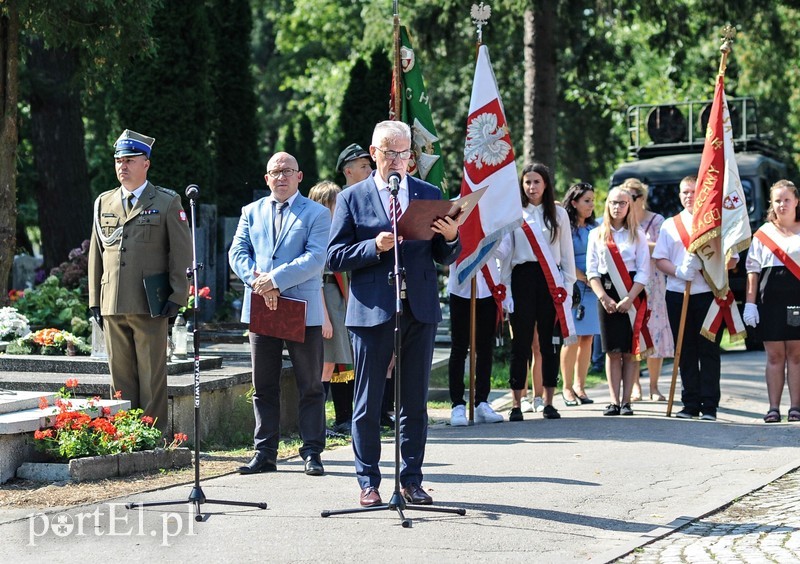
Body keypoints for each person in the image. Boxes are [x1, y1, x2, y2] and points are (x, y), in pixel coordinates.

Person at [327, 120, 460, 508]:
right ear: (374, 154)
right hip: (372, 310)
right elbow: (335, 256)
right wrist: (374, 246)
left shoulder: (428, 193)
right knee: (368, 401)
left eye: (404, 153)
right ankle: (368, 482)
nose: (398, 161)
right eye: (389, 153)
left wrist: (451, 237)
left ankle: (412, 481)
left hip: (418, 308)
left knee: (414, 401)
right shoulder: (352, 198)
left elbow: (442, 254)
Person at [229, 151, 330, 475]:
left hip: (301, 308)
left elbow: (316, 258)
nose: (282, 177)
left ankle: (312, 451)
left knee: (310, 384)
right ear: (267, 178)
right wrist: (259, 282)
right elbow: (238, 252)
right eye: (276, 171)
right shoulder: (251, 211)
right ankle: (264, 453)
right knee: (264, 385)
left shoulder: (316, 213)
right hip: (263, 307)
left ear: (300, 176)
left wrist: (275, 280)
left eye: (288, 171)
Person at [88, 129, 192, 433]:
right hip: (112, 302)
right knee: (119, 378)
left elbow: (181, 254)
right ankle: (123, 434)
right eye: (119, 160)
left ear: (145, 163)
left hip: (150, 303)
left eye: (130, 160)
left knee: (151, 376)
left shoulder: (166, 201)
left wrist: (177, 296)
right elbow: (96, 253)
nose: (123, 166)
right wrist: (95, 299)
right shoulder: (103, 202)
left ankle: (152, 436)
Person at [500, 163, 576, 421]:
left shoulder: (559, 214)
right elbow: (507, 256)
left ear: (546, 184)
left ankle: (549, 401)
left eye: (536, 182)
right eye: (527, 182)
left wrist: (568, 285)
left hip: (550, 281)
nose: (532, 187)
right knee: (520, 343)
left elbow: (566, 253)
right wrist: (506, 290)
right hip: (522, 278)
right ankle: (516, 404)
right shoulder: (514, 213)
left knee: (549, 343)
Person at [653, 175, 729, 421]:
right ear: (679, 195)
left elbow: (729, 257)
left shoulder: (714, 223)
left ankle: (709, 405)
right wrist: (679, 271)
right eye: (685, 192)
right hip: (678, 293)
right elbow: (660, 259)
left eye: (694, 192)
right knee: (684, 351)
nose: (689, 196)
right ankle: (690, 403)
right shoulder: (669, 225)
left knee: (708, 350)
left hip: (708, 294)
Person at [586, 186, 650, 416]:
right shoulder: (597, 234)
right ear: (607, 205)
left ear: (630, 206)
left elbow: (644, 271)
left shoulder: (638, 234)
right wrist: (603, 297)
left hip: (632, 293)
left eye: (622, 203)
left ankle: (626, 402)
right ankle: (613, 401)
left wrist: (630, 298)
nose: (617, 207)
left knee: (630, 351)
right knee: (612, 351)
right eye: (613, 202)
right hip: (607, 295)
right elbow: (592, 271)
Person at [744, 179, 800, 423]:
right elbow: (752, 271)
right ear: (771, 203)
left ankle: (796, 407)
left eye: (787, 199)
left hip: (796, 299)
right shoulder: (762, 234)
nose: (782, 204)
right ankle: (773, 408)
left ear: (796, 201)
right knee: (775, 355)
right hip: (770, 300)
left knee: (797, 355)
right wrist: (750, 303)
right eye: (777, 200)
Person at [308, 180, 354, 435]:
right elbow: (318, 280)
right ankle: (316, 424)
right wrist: (323, 317)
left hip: (338, 301)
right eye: (336, 203)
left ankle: (336, 420)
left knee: (334, 363)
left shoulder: (336, 231)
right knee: (325, 364)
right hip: (325, 299)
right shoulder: (318, 233)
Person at [624, 178, 674, 402]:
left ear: (641, 198)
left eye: (631, 197)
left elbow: (663, 248)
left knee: (656, 333)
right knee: (634, 333)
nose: (627, 201)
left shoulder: (656, 220)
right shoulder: (621, 222)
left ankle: (654, 386)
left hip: (654, 283)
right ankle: (635, 387)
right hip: (631, 284)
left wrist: (640, 242)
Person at [447, 253, 504, 426]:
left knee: (485, 348)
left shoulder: (491, 223)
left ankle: (482, 402)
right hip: (460, 286)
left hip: (488, 287)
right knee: (459, 348)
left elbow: (505, 250)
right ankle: (457, 404)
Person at [559, 182, 599, 405]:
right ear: (574, 203)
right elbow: (563, 256)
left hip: (594, 289)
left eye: (593, 200)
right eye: (587, 200)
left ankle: (580, 387)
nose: (591, 204)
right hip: (574, 287)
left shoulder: (594, 228)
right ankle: (566, 388)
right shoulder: (565, 227)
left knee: (588, 337)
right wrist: (583, 277)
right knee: (571, 338)